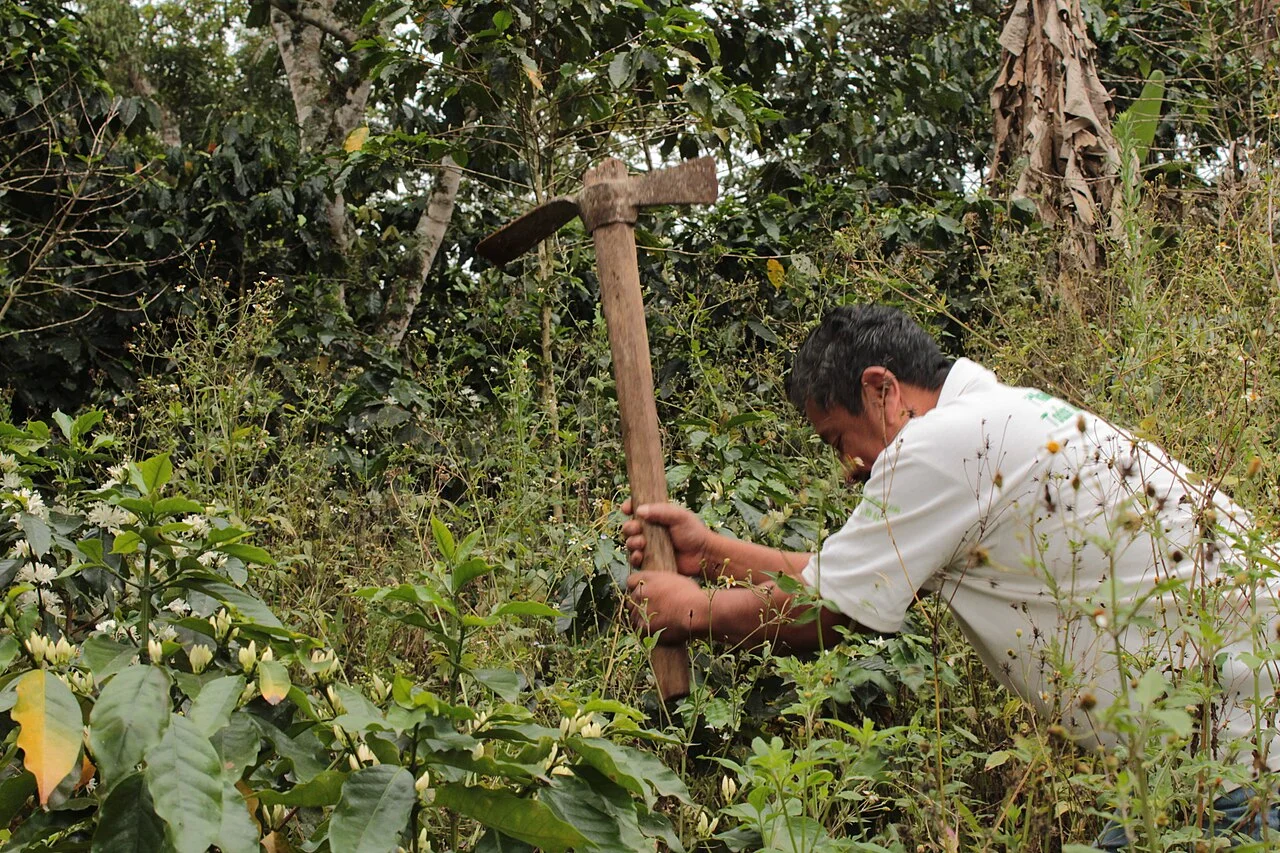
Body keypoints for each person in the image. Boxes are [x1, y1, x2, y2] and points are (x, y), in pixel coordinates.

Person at [621, 304, 1280, 848]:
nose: (848, 465)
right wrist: (710, 553)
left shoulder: (941, 445)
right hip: (1214, 750)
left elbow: (824, 610)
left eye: (838, 439)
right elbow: (843, 577)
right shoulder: (994, 418)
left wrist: (691, 610)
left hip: (1241, 761)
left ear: (881, 389)